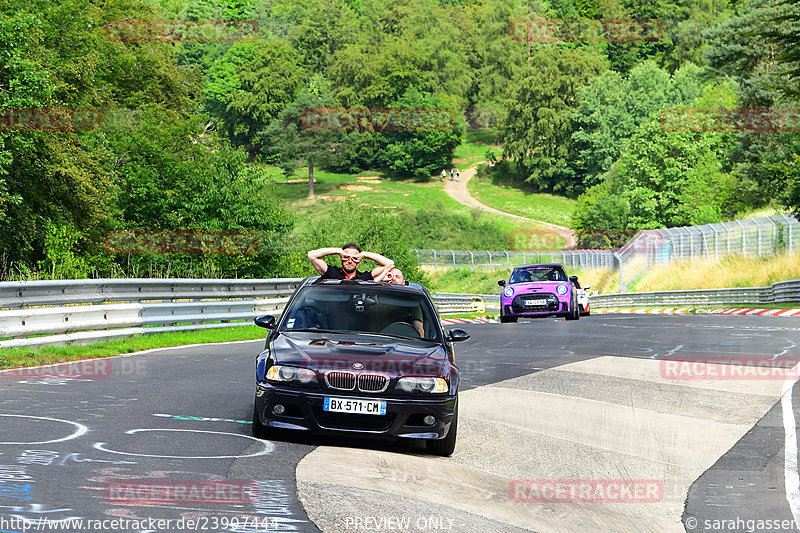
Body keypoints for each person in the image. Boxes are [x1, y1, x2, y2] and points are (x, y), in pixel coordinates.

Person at [307, 243, 393, 280]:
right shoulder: (331, 273)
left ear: (358, 262)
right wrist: (338, 251)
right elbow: (311, 255)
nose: (350, 261)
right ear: (341, 258)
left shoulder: (364, 277)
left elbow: (389, 263)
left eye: (354, 258)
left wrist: (364, 254)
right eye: (346, 257)